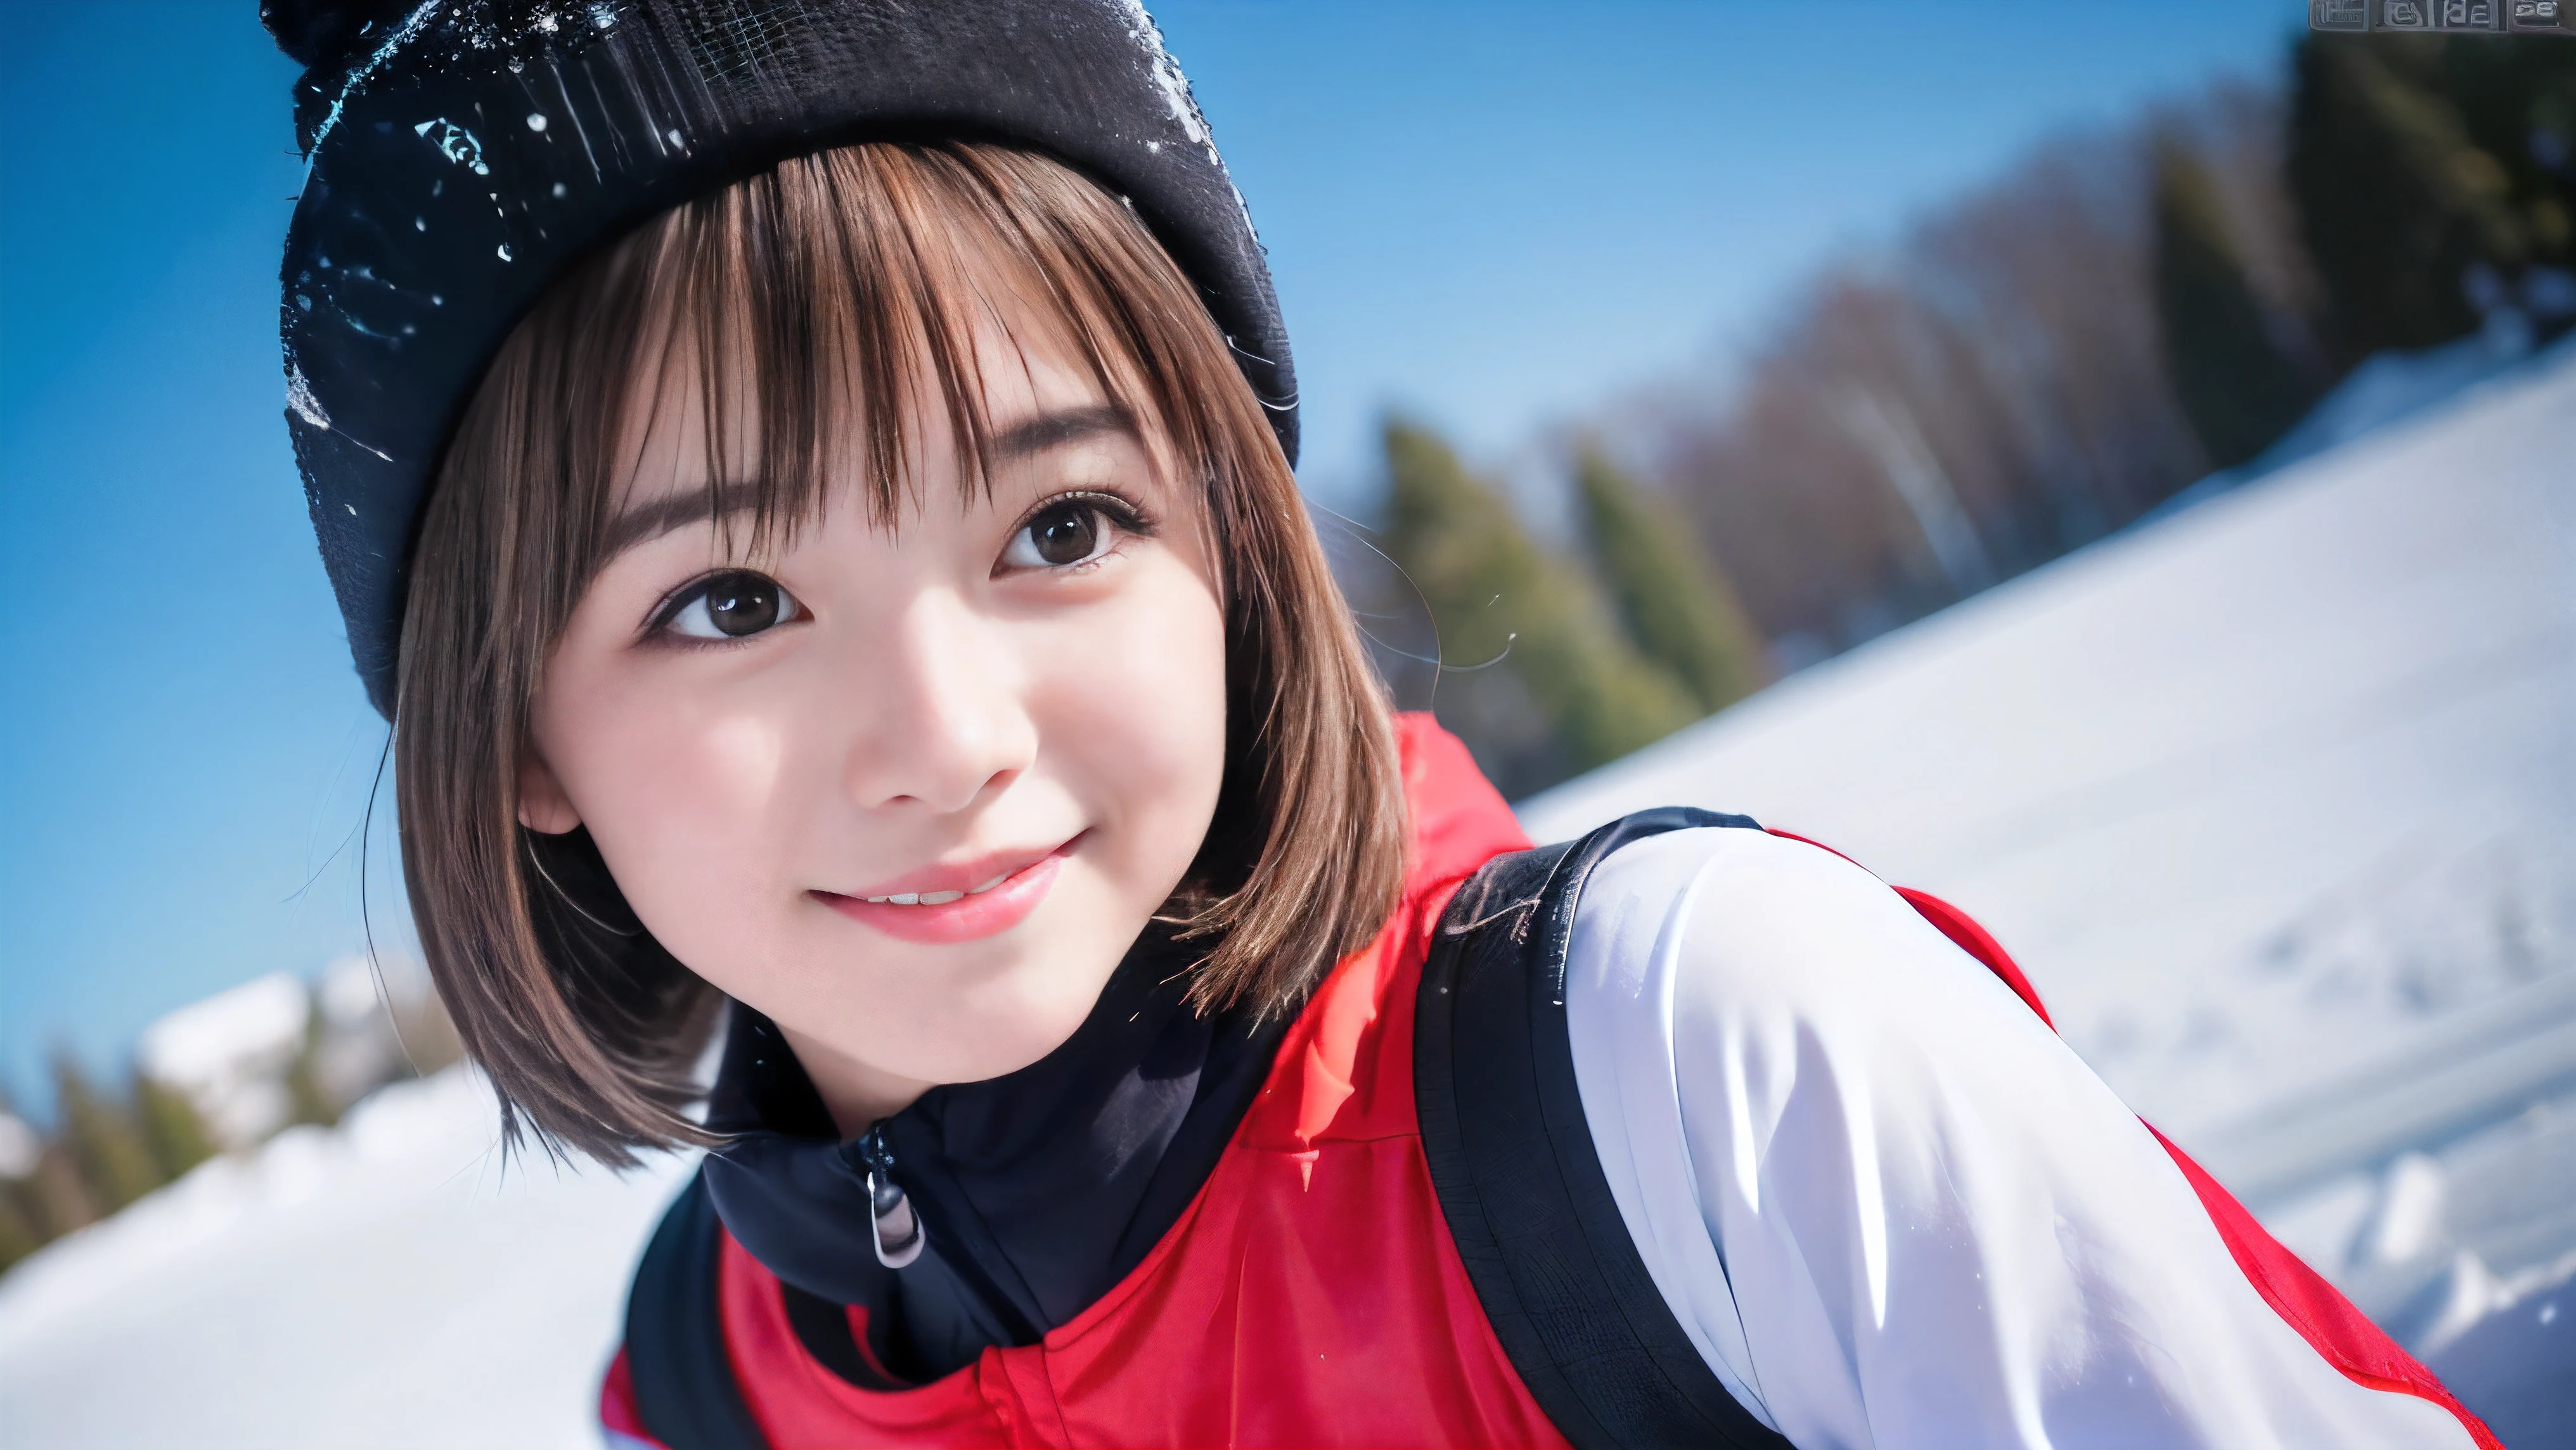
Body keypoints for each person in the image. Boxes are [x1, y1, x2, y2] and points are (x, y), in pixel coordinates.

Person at [263, 2, 2499, 1446]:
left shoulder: (1677, 1068)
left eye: (1060, 524)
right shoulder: (711, 1392)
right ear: (516, 736)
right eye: (731, 597)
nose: (941, 735)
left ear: (1228, 538)